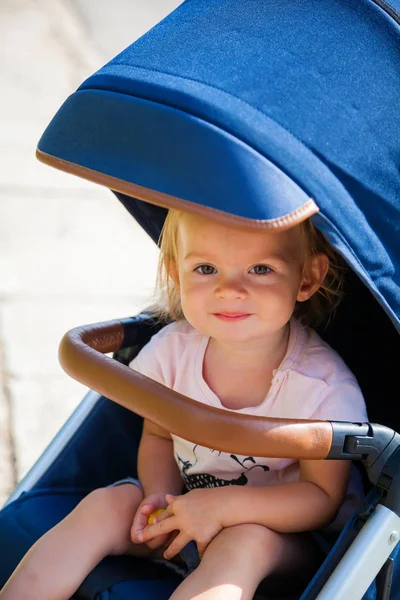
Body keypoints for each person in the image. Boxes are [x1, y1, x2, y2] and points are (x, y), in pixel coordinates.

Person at [0, 210, 368, 600]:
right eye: (206, 268)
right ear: (177, 272)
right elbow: (159, 435)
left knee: (244, 542)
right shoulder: (171, 352)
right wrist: (158, 495)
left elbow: (321, 499)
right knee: (108, 504)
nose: (229, 289)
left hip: (283, 541)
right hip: (186, 511)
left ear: (307, 278)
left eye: (260, 269)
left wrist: (223, 507)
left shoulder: (321, 389)